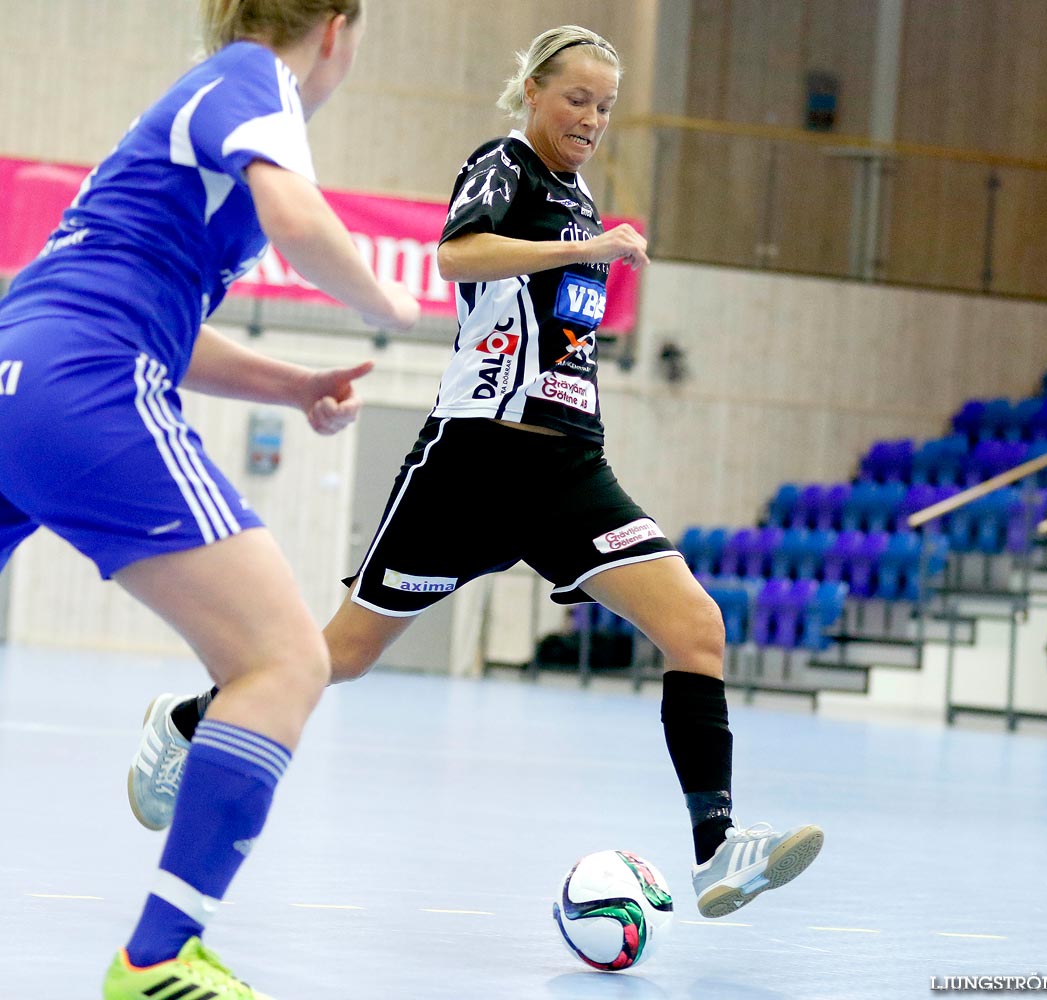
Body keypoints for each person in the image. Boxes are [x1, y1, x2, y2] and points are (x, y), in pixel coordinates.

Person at [130, 24, 823, 922]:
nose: (589, 119)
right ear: (533, 90)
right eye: (575, 98)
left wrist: (585, 247)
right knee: (331, 658)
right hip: (473, 461)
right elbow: (456, 255)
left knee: (696, 625)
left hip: (570, 468)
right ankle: (183, 724)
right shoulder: (504, 166)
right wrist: (583, 252)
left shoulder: (580, 204)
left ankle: (716, 850)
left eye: (605, 107)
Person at [0, 2, 420, 997]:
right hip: (84, 380)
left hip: (18, 366)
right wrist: (387, 301)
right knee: (283, 659)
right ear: (336, 27)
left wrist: (293, 385)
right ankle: (157, 958)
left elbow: (163, 319)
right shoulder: (250, 76)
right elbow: (296, 217)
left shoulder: (184, 123)